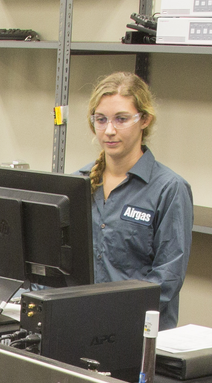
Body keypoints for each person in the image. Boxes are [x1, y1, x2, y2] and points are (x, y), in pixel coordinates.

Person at [78, 72, 194, 328]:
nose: (109, 130)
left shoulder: (169, 189)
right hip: (80, 324)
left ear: (144, 120)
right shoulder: (79, 183)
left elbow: (167, 279)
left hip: (135, 333)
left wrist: (111, 317)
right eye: (101, 119)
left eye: (121, 119)